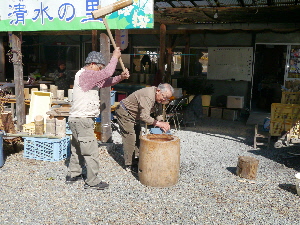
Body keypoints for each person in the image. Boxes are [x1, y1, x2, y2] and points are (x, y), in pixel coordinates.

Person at [66, 48, 130, 190]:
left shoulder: (84, 75)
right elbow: (107, 73)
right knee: (91, 151)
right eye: (99, 67)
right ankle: (92, 181)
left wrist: (121, 77)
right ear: (92, 64)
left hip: (75, 118)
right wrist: (115, 57)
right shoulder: (87, 74)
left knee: (77, 148)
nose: (100, 70)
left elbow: (105, 81)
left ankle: (73, 174)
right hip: (83, 119)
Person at [115, 83, 174, 172]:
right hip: (125, 112)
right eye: (164, 97)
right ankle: (129, 164)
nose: (164, 99)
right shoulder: (148, 96)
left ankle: (138, 158)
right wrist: (159, 124)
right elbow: (145, 117)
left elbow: (158, 112)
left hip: (135, 115)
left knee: (139, 136)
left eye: (167, 98)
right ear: (158, 91)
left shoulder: (158, 97)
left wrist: (161, 122)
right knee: (130, 137)